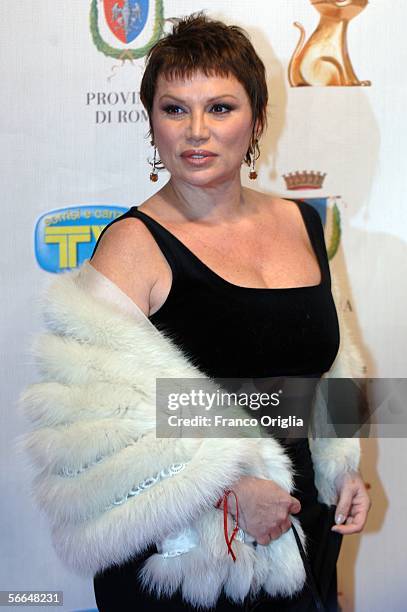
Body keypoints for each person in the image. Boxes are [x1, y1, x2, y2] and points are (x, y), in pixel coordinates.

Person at [19, 12, 371, 612]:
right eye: (174, 108)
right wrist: (229, 490)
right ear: (152, 122)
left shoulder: (303, 223)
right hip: (195, 557)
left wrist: (341, 466)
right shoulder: (132, 246)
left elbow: (328, 361)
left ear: (257, 119)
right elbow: (92, 425)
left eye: (221, 108)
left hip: (302, 526)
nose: (196, 132)